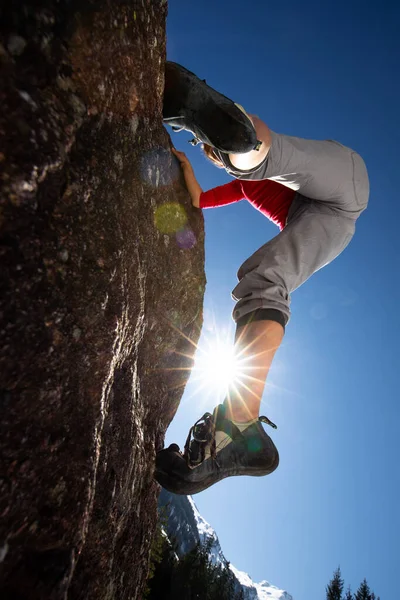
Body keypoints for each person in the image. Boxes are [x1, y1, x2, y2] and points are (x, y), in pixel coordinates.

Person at [154, 62, 369, 496]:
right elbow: (196, 200)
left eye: (213, 146)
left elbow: (280, 159)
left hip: (341, 188)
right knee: (261, 278)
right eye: (211, 148)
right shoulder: (242, 185)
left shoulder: (257, 171)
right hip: (320, 219)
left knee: (269, 155)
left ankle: (240, 129)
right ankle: (240, 428)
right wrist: (185, 165)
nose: (212, 156)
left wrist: (234, 147)